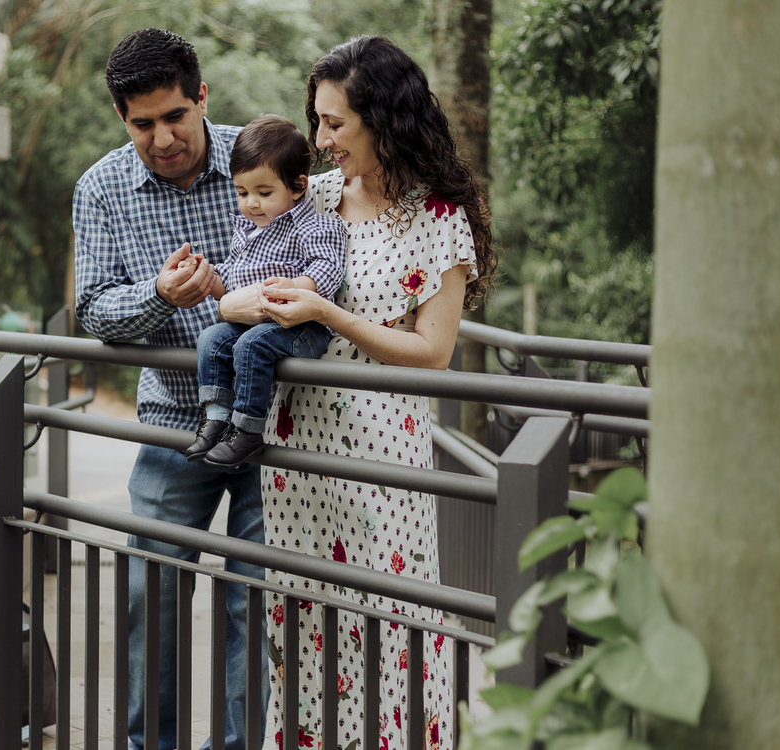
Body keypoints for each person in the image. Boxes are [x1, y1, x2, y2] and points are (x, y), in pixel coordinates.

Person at [219, 36, 497, 750]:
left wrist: (329, 315)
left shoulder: (436, 218)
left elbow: (433, 352)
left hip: (379, 459)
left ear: (385, 118)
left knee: (387, 633)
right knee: (304, 631)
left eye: (336, 123)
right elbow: (251, 275)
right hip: (297, 453)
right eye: (317, 120)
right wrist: (236, 302)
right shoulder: (310, 196)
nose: (321, 139)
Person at [72, 28, 269, 750]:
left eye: (175, 117)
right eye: (142, 123)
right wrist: (159, 294)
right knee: (146, 594)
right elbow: (92, 307)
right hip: (171, 420)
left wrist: (238, 294)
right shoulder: (99, 188)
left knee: (257, 600)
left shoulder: (262, 155)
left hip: (265, 418)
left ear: (202, 98)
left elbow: (320, 262)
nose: (161, 138)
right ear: (123, 118)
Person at [182, 114, 347, 468]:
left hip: (302, 327)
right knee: (211, 338)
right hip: (256, 323)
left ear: (298, 186)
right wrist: (205, 276)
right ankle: (216, 417)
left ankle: (247, 430)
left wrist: (297, 288)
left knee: (251, 344)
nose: (251, 203)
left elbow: (328, 268)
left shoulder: (315, 226)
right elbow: (232, 277)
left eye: (263, 192)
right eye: (242, 193)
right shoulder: (248, 228)